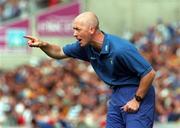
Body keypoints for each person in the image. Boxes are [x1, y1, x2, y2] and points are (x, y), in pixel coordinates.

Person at [24, 11, 156, 128]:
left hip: (137, 91)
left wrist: (137, 99)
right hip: (116, 93)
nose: (74, 34)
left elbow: (149, 73)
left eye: (77, 29)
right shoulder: (86, 47)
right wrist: (43, 45)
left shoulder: (120, 49)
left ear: (91, 29)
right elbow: (58, 52)